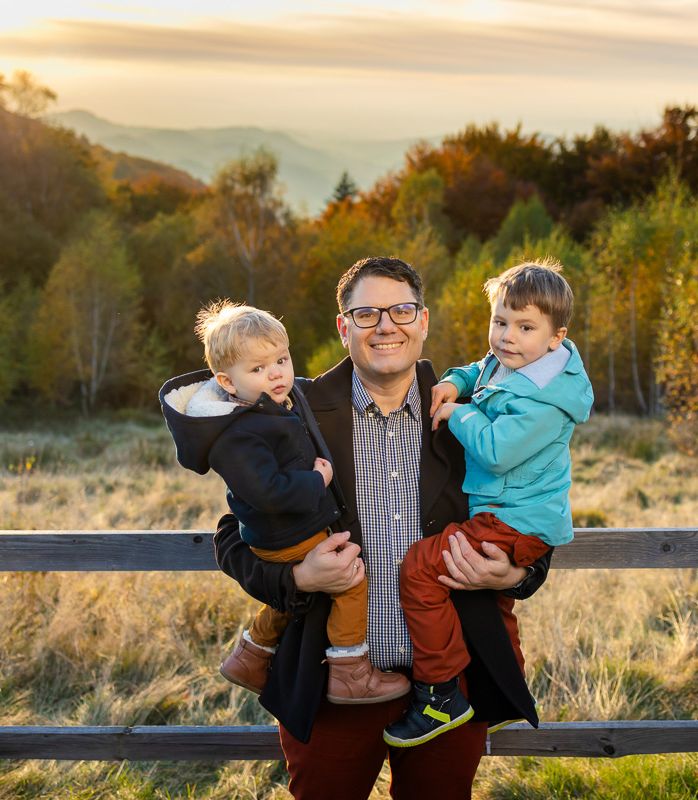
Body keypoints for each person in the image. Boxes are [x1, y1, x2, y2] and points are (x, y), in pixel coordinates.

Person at [213, 257, 554, 800]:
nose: (385, 326)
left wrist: (515, 574)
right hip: (333, 683)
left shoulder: (480, 411)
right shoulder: (290, 410)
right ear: (343, 327)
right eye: (366, 313)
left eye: (401, 310)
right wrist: (297, 578)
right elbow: (234, 534)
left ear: (423, 321)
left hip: (449, 688)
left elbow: (535, 510)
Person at [382, 260, 593, 747]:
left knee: (420, 568)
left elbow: (497, 451)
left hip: (515, 520)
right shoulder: (515, 361)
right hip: (505, 513)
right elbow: (481, 369)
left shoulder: (546, 399)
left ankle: (440, 693)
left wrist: (456, 413)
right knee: (494, 607)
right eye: (500, 322)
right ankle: (503, 696)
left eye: (525, 327)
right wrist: (455, 382)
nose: (507, 337)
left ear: (556, 338)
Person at [161, 301, 409, 705]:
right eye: (258, 368)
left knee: (291, 600)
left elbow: (312, 390)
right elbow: (268, 491)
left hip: (282, 533)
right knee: (351, 581)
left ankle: (251, 656)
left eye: (281, 359)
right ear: (226, 382)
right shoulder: (237, 433)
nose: (276, 373)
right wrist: (316, 480)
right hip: (286, 533)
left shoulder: (272, 404)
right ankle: (350, 671)